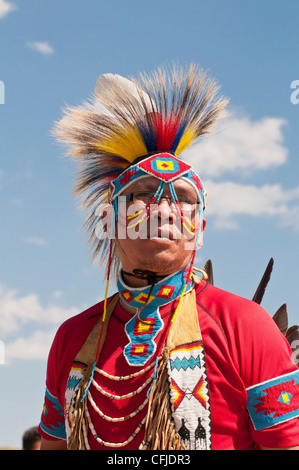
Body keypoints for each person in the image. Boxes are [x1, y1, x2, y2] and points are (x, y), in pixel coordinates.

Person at [38, 65, 299, 450]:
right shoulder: (71, 339)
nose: (164, 210)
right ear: (108, 222)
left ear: (201, 230)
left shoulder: (246, 327)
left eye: (185, 200)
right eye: (143, 194)